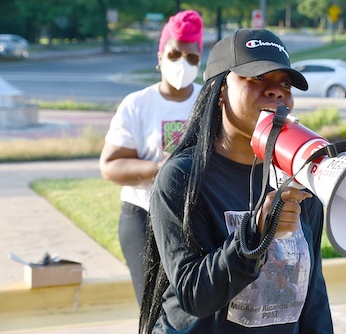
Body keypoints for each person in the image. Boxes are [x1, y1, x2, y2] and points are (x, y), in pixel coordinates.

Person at [140, 28, 334, 333]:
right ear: (220, 90)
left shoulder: (297, 178)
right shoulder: (182, 178)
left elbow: (313, 295)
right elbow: (195, 295)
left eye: (285, 83)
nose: (276, 91)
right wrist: (257, 231)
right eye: (257, 77)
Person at [99, 10, 204, 306]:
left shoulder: (210, 101)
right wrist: (162, 169)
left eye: (191, 57)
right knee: (156, 308)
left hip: (196, 217)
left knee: (195, 307)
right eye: (174, 54)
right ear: (159, 56)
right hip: (143, 216)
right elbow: (110, 165)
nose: (182, 63)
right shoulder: (137, 104)